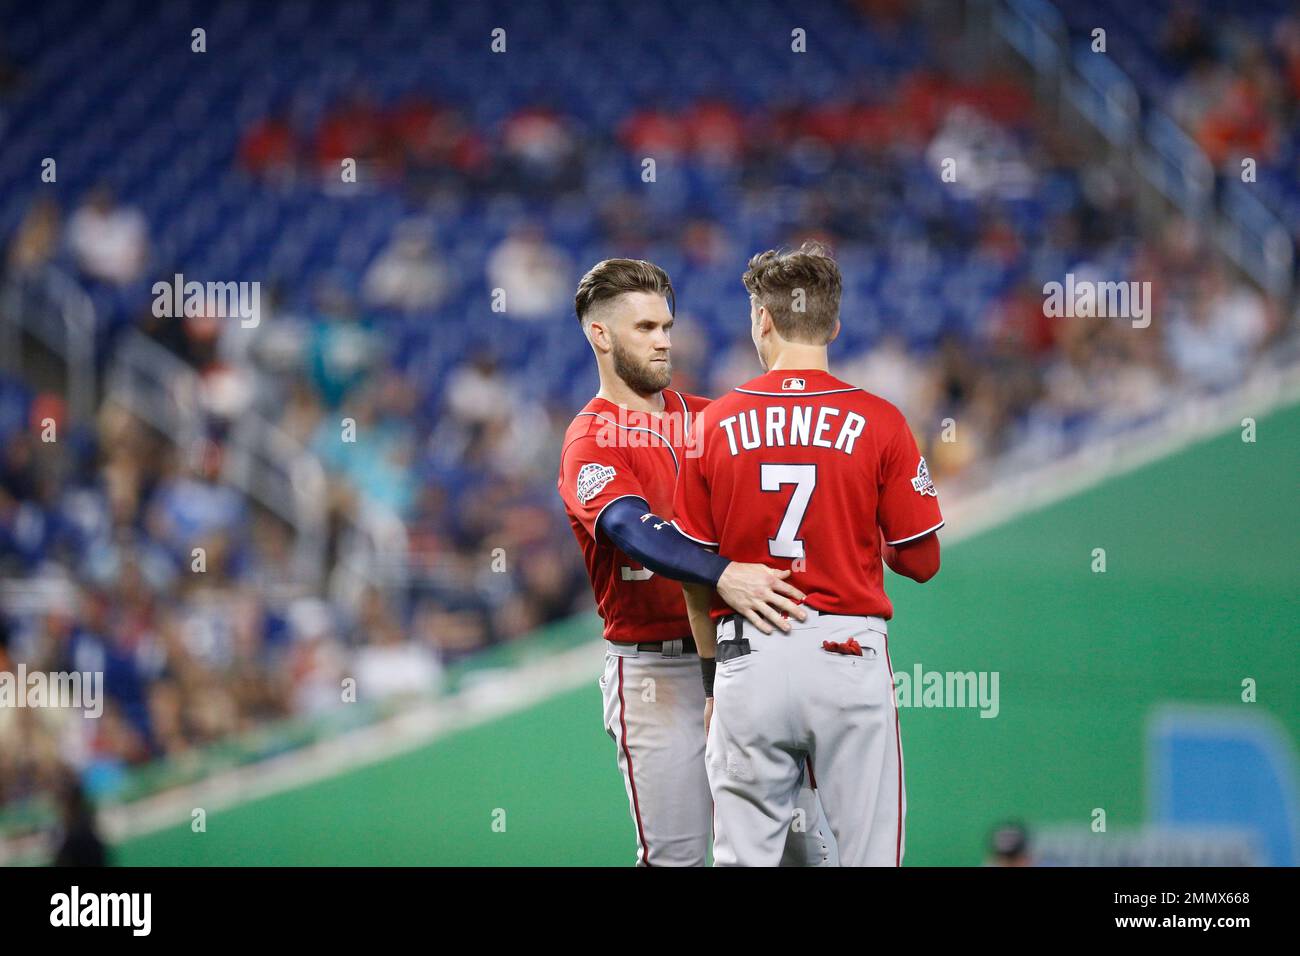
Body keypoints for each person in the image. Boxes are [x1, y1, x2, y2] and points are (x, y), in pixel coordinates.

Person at [557, 258, 834, 866]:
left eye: (666, 326)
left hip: (748, 659)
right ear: (600, 335)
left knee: (806, 856)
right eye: (645, 328)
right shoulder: (590, 440)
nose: (663, 341)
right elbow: (632, 529)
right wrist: (723, 574)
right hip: (657, 676)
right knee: (676, 861)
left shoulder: (716, 417)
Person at [676, 243, 943, 866]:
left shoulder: (713, 423)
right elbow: (922, 561)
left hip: (749, 656)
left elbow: (693, 572)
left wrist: (713, 682)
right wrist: (849, 526)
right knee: (869, 856)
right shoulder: (880, 420)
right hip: (847, 654)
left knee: (743, 858)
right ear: (834, 326)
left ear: (761, 319)